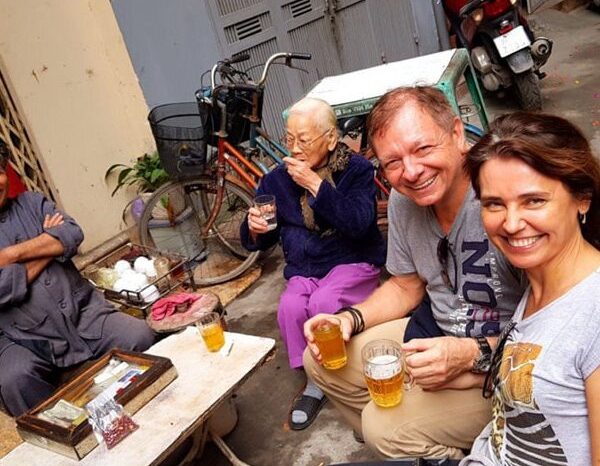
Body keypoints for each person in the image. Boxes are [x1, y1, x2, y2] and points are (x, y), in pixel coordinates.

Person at [303, 87, 527, 459]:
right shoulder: (403, 200)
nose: (411, 172)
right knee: (321, 360)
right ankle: (419, 443)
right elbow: (406, 285)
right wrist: (349, 318)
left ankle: (431, 441)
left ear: (457, 134)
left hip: (507, 367)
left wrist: (470, 355)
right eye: (392, 162)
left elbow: (553, 327)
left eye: (423, 149)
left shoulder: (502, 195)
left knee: (383, 426)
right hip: (433, 333)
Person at [461, 112, 600, 465]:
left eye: (533, 201)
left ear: (582, 198)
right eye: (494, 204)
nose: (510, 223)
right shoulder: (539, 278)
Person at [240, 97, 386, 430]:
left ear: (331, 139)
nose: (294, 148)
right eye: (289, 139)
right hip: (305, 269)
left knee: (323, 304)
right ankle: (315, 380)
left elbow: (360, 223)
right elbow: (260, 238)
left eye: (303, 140)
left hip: (352, 262)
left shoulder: (356, 170)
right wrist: (253, 227)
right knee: (291, 306)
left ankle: (347, 379)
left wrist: (315, 184)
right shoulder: (276, 180)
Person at [0, 141, 156, 417]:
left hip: (84, 313)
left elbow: (72, 233)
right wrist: (48, 246)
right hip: (22, 338)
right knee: (15, 380)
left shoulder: (32, 203)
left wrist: (10, 255)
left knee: (141, 336)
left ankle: (157, 422)